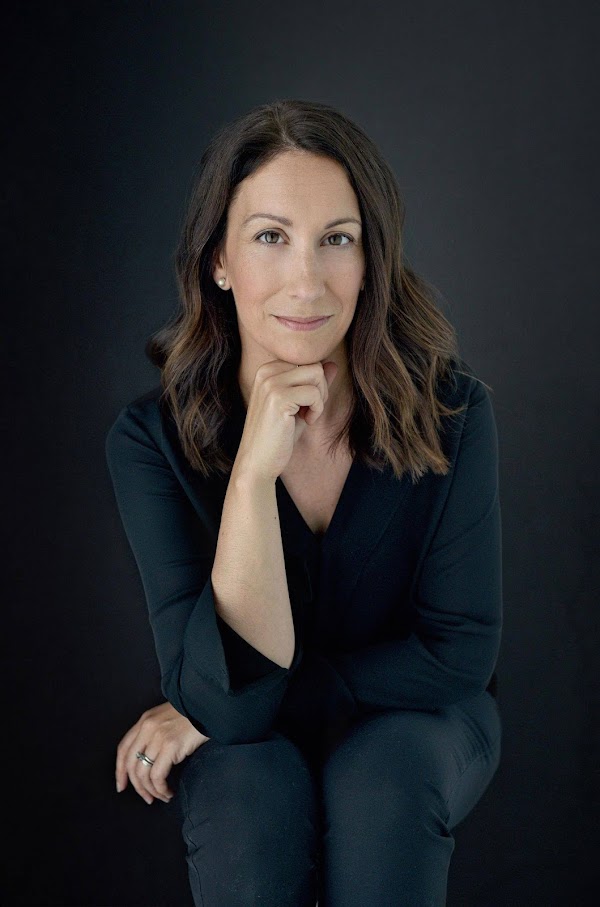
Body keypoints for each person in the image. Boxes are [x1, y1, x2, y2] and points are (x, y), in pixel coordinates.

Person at [105, 98, 503, 907]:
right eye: (270, 237)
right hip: (245, 732)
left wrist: (214, 706)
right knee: (245, 795)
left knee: (384, 779)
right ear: (219, 260)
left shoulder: (455, 412)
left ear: (371, 258)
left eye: (337, 240)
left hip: (419, 716)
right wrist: (252, 478)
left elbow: (458, 653)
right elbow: (231, 705)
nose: (307, 280)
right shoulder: (150, 441)